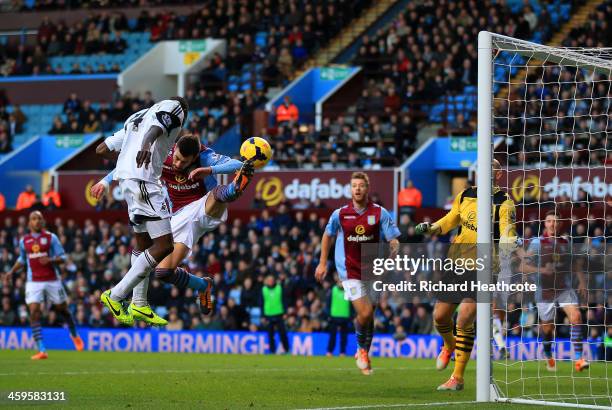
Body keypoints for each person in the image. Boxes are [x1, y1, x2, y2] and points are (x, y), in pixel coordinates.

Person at [92, 133, 254, 323]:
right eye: (176, 158)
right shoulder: (162, 153)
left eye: (184, 162)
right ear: (174, 149)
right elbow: (130, 164)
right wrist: (105, 181)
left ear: (193, 158)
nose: (177, 164)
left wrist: (208, 170)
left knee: (218, 196)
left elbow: (237, 165)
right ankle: (203, 286)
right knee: (164, 272)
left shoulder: (203, 155)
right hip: (177, 216)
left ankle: (234, 189)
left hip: (203, 204)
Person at [415, 159, 516, 391]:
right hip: (457, 263)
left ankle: (457, 377)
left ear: (498, 175)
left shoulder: (504, 202)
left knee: (463, 320)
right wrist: (431, 228)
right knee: (440, 317)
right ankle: (449, 345)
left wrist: (510, 242)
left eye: (493, 169)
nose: (487, 173)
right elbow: (451, 220)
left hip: (484, 267)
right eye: (483, 169)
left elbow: (507, 232)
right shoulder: (465, 195)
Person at [97, 97, 189, 326]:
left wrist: (126, 159)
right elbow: (159, 127)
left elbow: (102, 149)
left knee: (143, 242)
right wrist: (146, 146)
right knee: (165, 245)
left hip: (127, 180)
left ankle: (139, 303)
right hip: (144, 180)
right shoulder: (175, 107)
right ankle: (116, 295)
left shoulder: (136, 117)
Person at [316, 172, 400, 375]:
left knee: (369, 315)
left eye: (361, 185)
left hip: (373, 271)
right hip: (348, 271)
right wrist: (322, 263)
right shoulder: (340, 214)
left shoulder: (380, 213)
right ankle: (362, 350)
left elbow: (393, 239)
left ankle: (364, 353)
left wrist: (394, 248)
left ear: (367, 188)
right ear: (351, 189)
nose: (358, 189)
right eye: (354, 186)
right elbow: (327, 236)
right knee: (365, 313)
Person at [2, 211, 84, 359]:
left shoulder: (51, 238)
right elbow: (22, 259)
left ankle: (74, 335)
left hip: (52, 279)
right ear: (29, 223)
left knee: (63, 309)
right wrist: (11, 272)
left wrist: (51, 261)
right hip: (33, 281)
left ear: (43, 222)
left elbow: (63, 257)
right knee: (33, 311)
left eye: (39, 218)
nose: (37, 221)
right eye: (34, 219)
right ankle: (41, 349)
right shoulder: (24, 241)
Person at [520, 211, 589, 372]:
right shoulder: (537, 242)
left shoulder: (565, 242)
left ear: (559, 224)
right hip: (544, 290)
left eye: (556, 221)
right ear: (545, 224)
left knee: (576, 316)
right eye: (549, 221)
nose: (553, 224)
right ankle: (548, 353)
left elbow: (575, 264)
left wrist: (582, 282)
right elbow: (522, 267)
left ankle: (579, 359)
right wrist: (542, 269)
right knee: (548, 329)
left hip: (564, 288)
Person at [261, 274, 290, 354]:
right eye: (269, 280)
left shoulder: (279, 288)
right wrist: (263, 315)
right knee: (270, 335)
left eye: (271, 280)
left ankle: (287, 350)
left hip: (279, 314)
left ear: (274, 281)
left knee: (283, 334)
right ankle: (272, 351)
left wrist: (285, 312)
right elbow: (261, 303)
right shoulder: (264, 289)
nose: (270, 282)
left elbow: (284, 300)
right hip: (268, 315)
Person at [326, 279, 351, 356]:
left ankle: (342, 352)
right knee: (332, 335)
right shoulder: (332, 290)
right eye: (340, 282)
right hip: (334, 316)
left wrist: (352, 316)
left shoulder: (349, 291)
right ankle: (329, 351)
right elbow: (328, 303)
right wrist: (328, 315)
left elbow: (352, 304)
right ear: (337, 282)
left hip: (345, 316)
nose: (341, 284)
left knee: (343, 337)